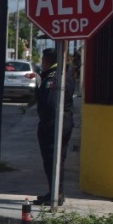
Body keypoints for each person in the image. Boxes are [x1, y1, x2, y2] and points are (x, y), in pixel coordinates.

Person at [35, 47, 76, 205]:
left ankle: (56, 194)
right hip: (63, 120)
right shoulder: (65, 74)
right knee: (57, 160)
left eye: (43, 60)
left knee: (52, 159)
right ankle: (55, 193)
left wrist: (45, 122)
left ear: (47, 61)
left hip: (54, 124)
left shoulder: (53, 78)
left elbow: (50, 104)